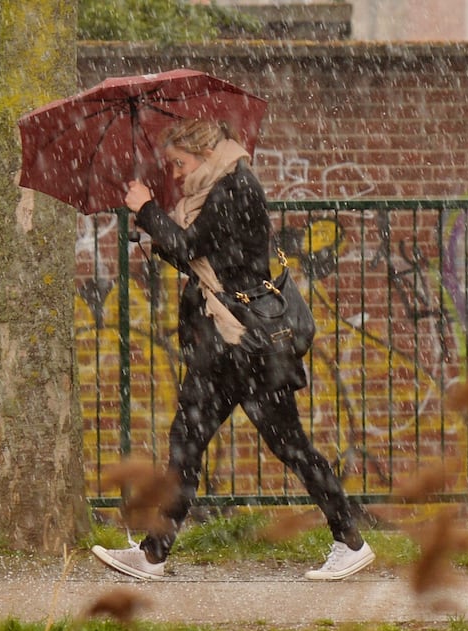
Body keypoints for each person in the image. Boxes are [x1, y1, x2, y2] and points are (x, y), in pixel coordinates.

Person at [90, 119, 374, 581]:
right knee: (188, 441)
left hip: (245, 347)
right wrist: (151, 230)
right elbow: (200, 257)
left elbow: (190, 244)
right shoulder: (216, 189)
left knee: (289, 446)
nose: (177, 174)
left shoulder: (235, 187)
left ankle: (349, 540)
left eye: (180, 164)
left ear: (203, 151)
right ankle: (153, 554)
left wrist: (146, 211)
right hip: (224, 348)